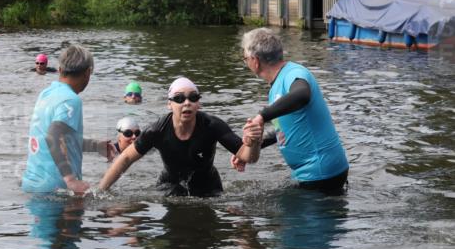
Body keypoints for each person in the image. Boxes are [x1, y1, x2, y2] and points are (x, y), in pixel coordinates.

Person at [99, 77, 262, 197]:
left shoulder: (212, 126)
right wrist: (100, 192)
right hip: (169, 185)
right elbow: (126, 158)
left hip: (209, 186)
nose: (186, 103)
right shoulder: (157, 130)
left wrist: (253, 142)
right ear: (169, 104)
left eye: (193, 97)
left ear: (199, 103)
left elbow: (248, 157)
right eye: (178, 98)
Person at [239, 27, 349, 193]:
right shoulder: (278, 83)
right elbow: (285, 128)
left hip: (320, 173)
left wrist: (262, 116)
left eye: (245, 58)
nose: (246, 62)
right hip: (314, 173)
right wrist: (249, 148)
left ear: (255, 61)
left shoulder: (293, 73)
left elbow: (302, 94)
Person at [22, 44, 116, 194]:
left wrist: (95, 146)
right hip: (54, 190)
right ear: (87, 73)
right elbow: (53, 135)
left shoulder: (45, 94)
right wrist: (71, 180)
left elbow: (58, 139)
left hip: (31, 185)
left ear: (60, 70)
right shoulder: (71, 100)